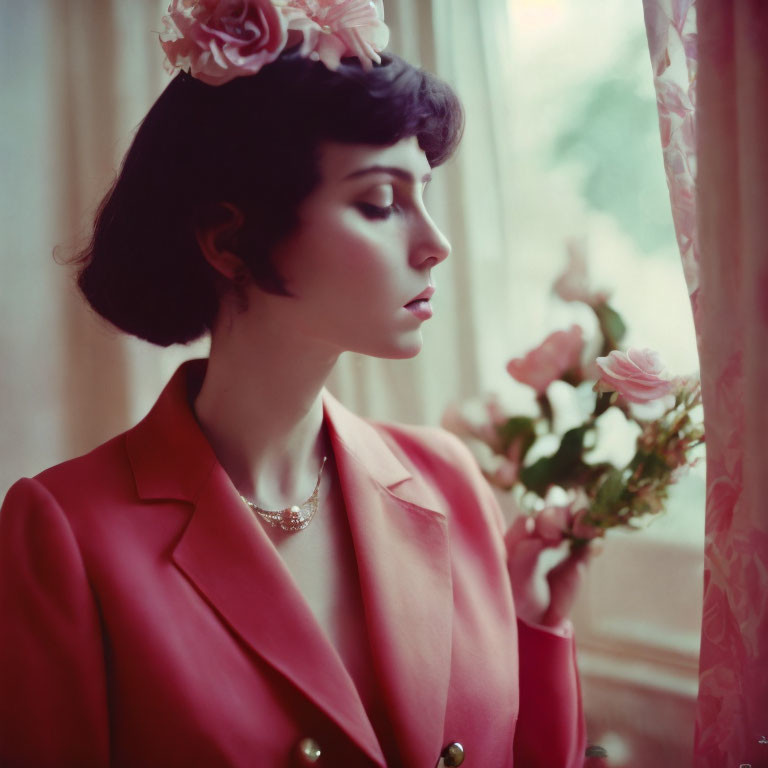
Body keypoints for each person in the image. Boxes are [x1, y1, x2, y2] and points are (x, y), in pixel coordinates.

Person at [0, 1, 591, 766]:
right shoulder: (67, 534)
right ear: (227, 240)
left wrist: (532, 632)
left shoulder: (447, 479)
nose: (436, 244)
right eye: (379, 202)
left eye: (427, 194)